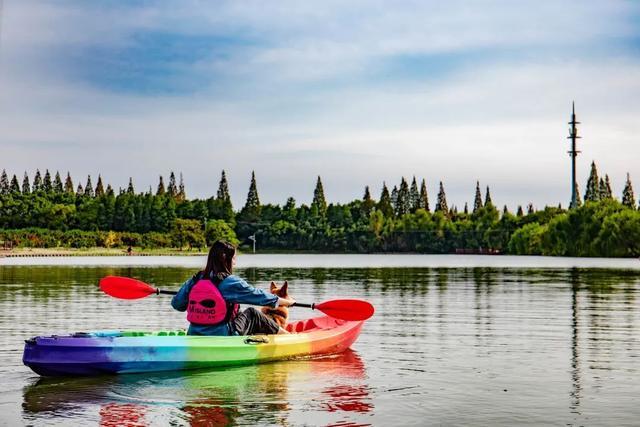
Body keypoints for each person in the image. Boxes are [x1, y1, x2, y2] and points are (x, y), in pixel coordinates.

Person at [171, 240, 295, 336]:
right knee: (252, 313)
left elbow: (177, 304)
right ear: (226, 259)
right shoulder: (229, 282)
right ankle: (288, 338)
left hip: (194, 332)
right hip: (222, 335)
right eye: (234, 258)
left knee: (238, 312)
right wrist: (286, 302)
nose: (235, 262)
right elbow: (257, 295)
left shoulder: (195, 279)